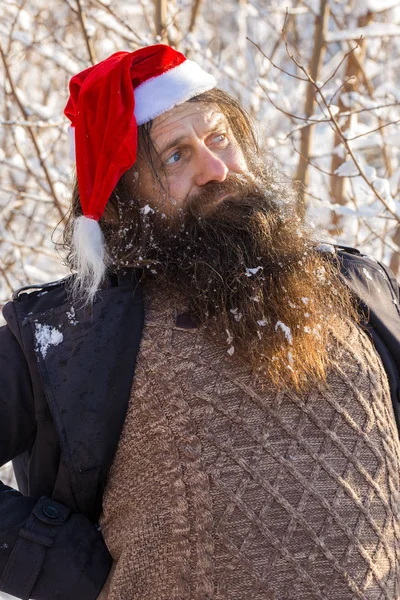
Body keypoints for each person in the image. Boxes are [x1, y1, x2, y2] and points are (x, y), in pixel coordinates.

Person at [0, 44, 399, 600]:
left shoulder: (355, 286)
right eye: (175, 157)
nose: (216, 170)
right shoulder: (71, 334)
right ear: (121, 198)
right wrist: (72, 570)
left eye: (220, 139)